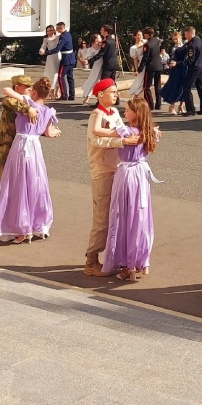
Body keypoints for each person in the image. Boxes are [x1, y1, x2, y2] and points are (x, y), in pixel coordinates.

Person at [0, 78, 61, 243]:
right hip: (35, 148)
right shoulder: (48, 111)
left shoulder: (29, 103)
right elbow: (49, 133)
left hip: (21, 146)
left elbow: (7, 90)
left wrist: (29, 106)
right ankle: (36, 225)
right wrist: (56, 132)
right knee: (35, 184)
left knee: (19, 186)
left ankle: (22, 230)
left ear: (34, 92)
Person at [101, 96, 160, 280]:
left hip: (127, 174)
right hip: (142, 174)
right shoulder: (149, 131)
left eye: (127, 110)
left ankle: (127, 265)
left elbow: (98, 132)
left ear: (136, 113)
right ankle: (141, 260)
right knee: (140, 216)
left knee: (122, 216)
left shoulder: (126, 131)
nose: (124, 113)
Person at [84, 78, 124, 276]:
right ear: (100, 94)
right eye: (112, 92)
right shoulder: (95, 116)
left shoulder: (114, 112)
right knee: (102, 218)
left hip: (117, 169)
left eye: (116, 92)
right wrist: (121, 142)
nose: (116, 95)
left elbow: (123, 131)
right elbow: (97, 141)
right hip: (102, 171)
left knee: (117, 216)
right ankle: (91, 260)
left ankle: (114, 257)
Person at [0, 75, 38, 177]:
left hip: (21, 143)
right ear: (17, 87)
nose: (30, 89)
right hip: (8, 142)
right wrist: (29, 109)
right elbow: (12, 102)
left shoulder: (27, 100)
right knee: (5, 172)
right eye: (26, 86)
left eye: (30, 86)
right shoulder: (9, 100)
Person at [180, 26, 202, 116]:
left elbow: (190, 59)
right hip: (201, 66)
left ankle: (190, 110)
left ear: (190, 33)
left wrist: (180, 63)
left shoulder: (192, 45)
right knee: (201, 87)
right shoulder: (198, 40)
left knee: (186, 87)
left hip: (194, 68)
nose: (185, 35)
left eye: (186, 33)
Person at [80, 34, 106, 104]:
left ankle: (99, 98)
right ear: (95, 40)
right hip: (96, 66)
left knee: (101, 82)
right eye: (99, 38)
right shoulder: (91, 49)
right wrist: (86, 61)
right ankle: (87, 96)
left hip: (104, 65)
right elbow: (88, 57)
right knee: (93, 81)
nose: (100, 39)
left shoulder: (103, 45)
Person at [141, 28, 163, 109]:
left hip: (151, 67)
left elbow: (145, 58)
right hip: (158, 65)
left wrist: (139, 69)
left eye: (145, 34)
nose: (144, 35)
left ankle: (150, 104)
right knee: (158, 86)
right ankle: (158, 104)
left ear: (147, 34)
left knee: (146, 87)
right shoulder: (157, 41)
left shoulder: (147, 45)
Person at [40, 25, 61, 98]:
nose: (50, 32)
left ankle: (57, 90)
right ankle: (51, 90)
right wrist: (42, 50)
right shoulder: (46, 39)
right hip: (50, 57)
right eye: (48, 31)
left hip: (58, 56)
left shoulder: (58, 37)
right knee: (51, 74)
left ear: (54, 30)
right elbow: (43, 46)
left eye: (51, 30)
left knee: (58, 74)